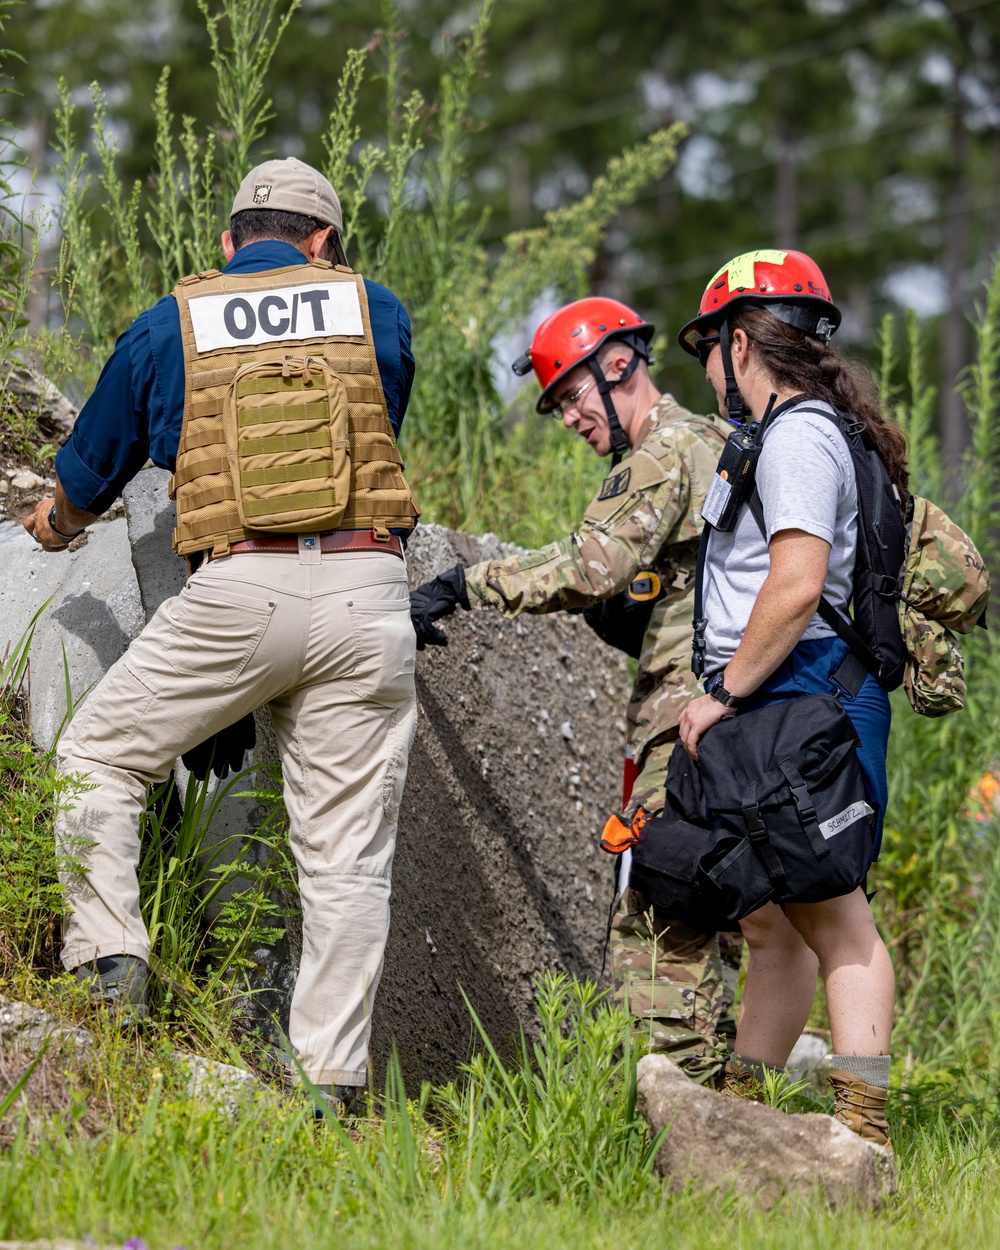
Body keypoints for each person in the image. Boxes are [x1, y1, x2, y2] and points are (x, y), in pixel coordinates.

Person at [23, 157, 419, 1114]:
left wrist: (55, 523)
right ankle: (328, 1086)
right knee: (346, 856)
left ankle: (110, 964)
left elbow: (97, 467)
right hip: (371, 594)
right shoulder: (377, 309)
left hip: (240, 589)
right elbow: (375, 427)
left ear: (232, 238)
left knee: (95, 757)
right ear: (324, 241)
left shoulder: (176, 320)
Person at [409, 297, 742, 1085]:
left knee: (658, 922)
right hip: (742, 716)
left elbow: (589, 567)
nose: (566, 418)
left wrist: (462, 583)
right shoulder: (722, 442)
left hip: (687, 724)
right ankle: (736, 1109)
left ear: (619, 364)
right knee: (711, 920)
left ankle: (683, 1129)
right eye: (556, 405)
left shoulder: (660, 455)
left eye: (571, 396)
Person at [676, 248, 900, 1148]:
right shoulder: (795, 430)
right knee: (773, 922)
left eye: (707, 351)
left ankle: (862, 1131)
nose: (708, 372)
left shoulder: (800, 434)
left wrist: (721, 694)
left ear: (740, 343)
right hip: (789, 687)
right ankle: (748, 1109)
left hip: (800, 687)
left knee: (835, 915)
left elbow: (798, 582)